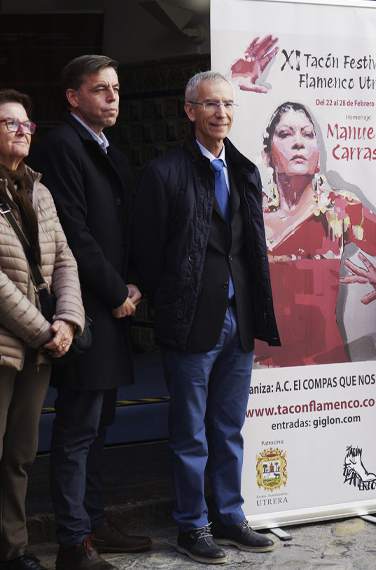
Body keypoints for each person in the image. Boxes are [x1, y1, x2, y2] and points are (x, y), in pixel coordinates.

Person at [130, 71, 281, 565]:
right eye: (211, 104)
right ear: (190, 110)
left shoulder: (243, 169)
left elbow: (251, 246)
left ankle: (231, 518)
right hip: (192, 319)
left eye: (228, 104)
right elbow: (148, 253)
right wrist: (170, 301)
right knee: (190, 431)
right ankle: (192, 527)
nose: (222, 113)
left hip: (238, 318)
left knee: (229, 428)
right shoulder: (165, 171)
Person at [0, 90, 86, 570]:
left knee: (21, 454)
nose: (23, 131)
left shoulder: (39, 188)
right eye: (10, 124)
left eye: (28, 125)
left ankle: (14, 551)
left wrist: (68, 320)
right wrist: (40, 329)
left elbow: (65, 259)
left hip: (45, 344)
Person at [28, 55, 150, 570]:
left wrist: (135, 283)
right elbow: (73, 232)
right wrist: (115, 289)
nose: (113, 98)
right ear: (73, 97)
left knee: (99, 426)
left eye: (117, 89)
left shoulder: (109, 152)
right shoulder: (60, 146)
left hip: (112, 306)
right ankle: (73, 542)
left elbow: (121, 231)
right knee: (78, 429)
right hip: (84, 307)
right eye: (101, 89)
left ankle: (96, 521)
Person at [256, 101, 376, 366]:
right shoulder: (251, 212)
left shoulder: (341, 210)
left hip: (326, 369)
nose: (299, 143)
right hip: (261, 371)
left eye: (308, 135)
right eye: (285, 134)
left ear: (318, 154)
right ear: (267, 155)